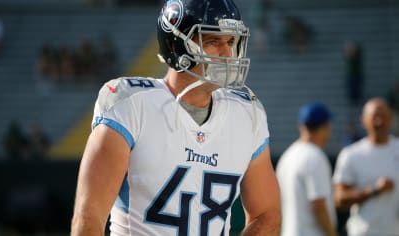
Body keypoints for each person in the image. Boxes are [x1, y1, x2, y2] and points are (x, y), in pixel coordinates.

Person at [70, 0, 281, 235]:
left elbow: (267, 215)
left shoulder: (246, 113)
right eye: (213, 42)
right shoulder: (131, 104)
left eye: (231, 41)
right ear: (175, 45)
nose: (227, 53)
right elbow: (88, 217)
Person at [333, 97, 399, 236]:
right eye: (375, 117)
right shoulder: (351, 154)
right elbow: (339, 199)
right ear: (364, 120)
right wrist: (374, 190)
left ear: (391, 118)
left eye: (384, 116)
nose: (379, 122)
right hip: (364, 232)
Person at [276, 102, 338, 236]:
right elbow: (318, 205)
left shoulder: (287, 156)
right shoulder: (316, 157)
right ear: (325, 127)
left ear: (302, 126)